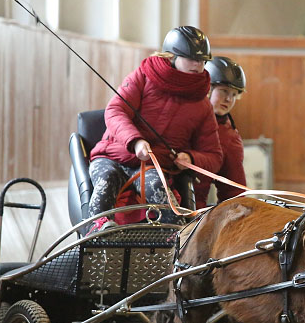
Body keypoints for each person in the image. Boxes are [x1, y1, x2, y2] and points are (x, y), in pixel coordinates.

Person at [86, 26, 222, 230]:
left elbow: (214, 156)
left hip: (155, 165)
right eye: (191, 58)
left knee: (158, 186)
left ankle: (175, 240)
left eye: (202, 61)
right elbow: (115, 110)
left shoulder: (203, 105)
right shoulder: (142, 76)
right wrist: (135, 141)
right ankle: (99, 231)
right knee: (106, 179)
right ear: (173, 56)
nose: (198, 64)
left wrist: (191, 159)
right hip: (111, 156)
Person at [195, 57, 248, 208]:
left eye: (234, 94)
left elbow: (234, 191)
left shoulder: (229, 138)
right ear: (208, 88)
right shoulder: (184, 114)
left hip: (190, 212)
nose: (229, 99)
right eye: (224, 91)